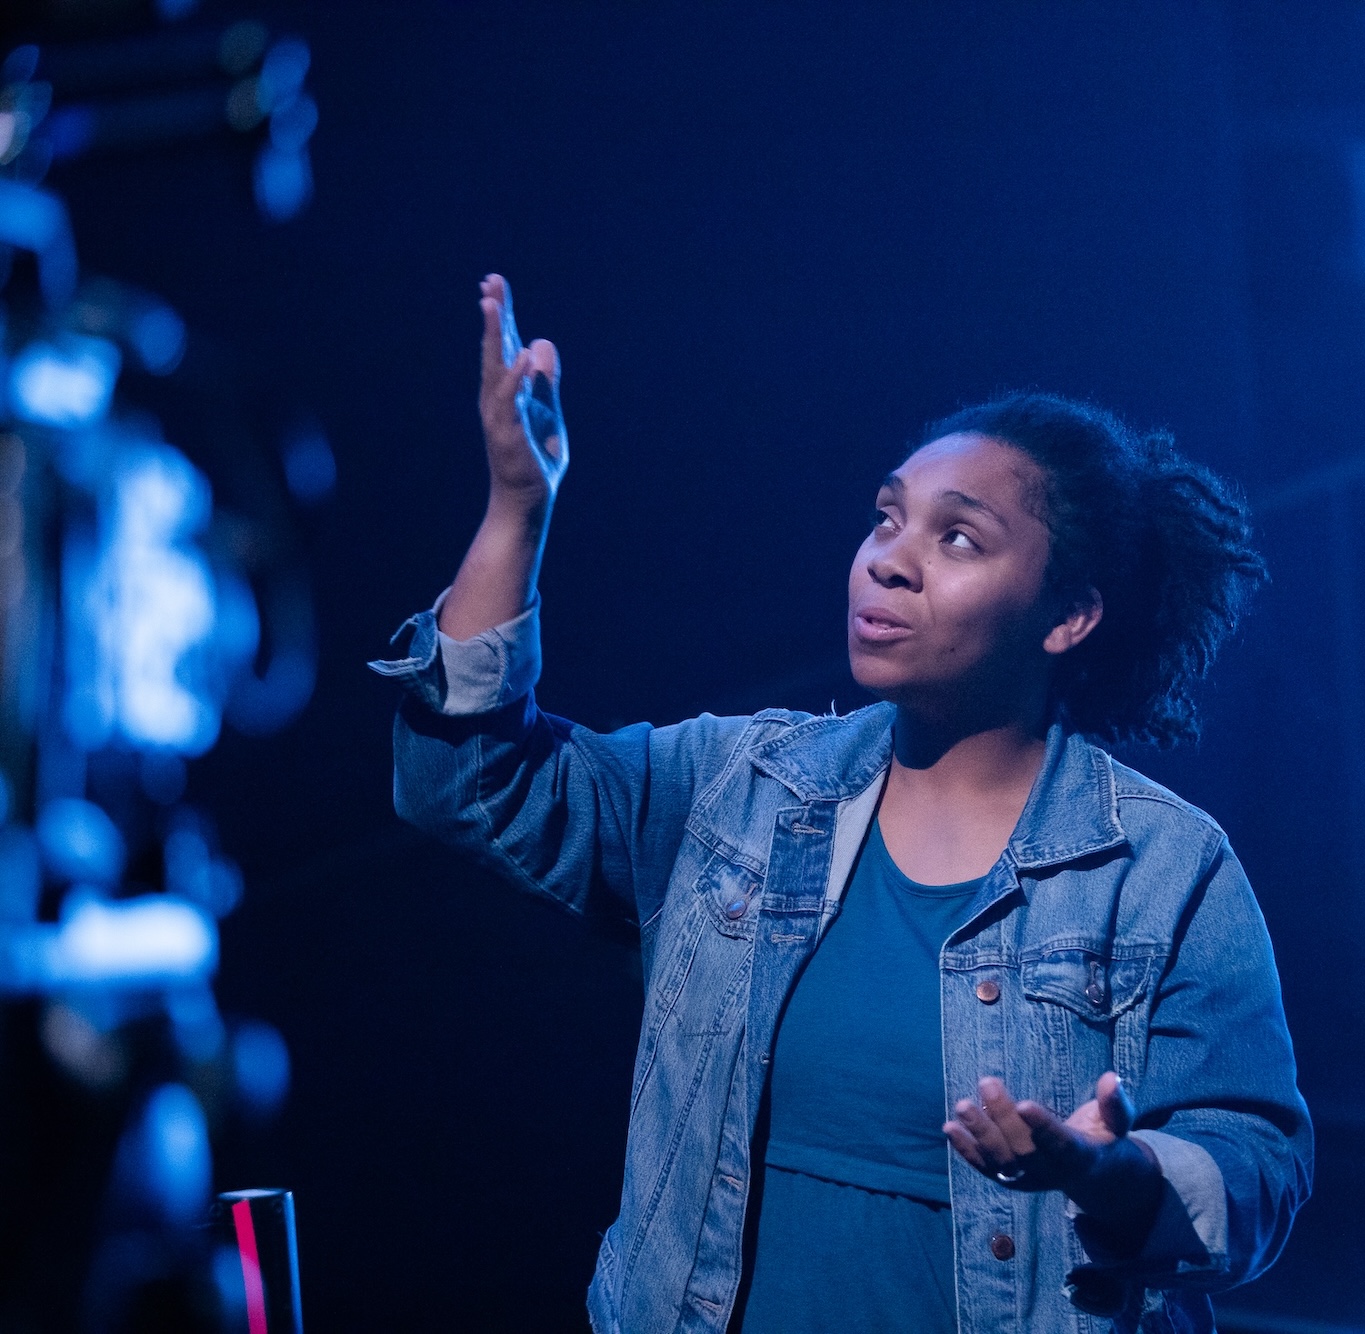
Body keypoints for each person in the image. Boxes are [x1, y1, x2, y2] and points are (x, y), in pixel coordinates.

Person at [373, 275, 1312, 1333]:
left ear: (1068, 614)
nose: (889, 560)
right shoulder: (740, 784)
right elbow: (471, 781)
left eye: (958, 538)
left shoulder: (1158, 867)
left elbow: (1256, 1167)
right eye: (886, 517)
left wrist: (1119, 1172)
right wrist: (518, 504)